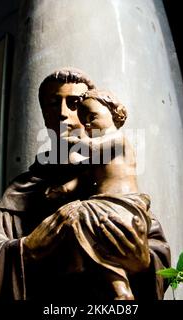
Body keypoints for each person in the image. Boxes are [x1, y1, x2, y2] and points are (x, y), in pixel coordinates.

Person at [0, 67, 171, 300]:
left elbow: (157, 253)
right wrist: (30, 248)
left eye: (74, 103)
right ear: (44, 114)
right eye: (53, 104)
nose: (63, 113)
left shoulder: (109, 178)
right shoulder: (24, 188)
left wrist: (143, 262)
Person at [45, 89, 152, 300]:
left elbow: (91, 148)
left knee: (77, 215)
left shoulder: (117, 139)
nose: (86, 124)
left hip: (122, 204)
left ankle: (77, 263)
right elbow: (83, 178)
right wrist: (63, 189)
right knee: (100, 244)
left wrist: (73, 140)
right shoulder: (99, 148)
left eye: (92, 116)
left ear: (113, 113)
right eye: (83, 120)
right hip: (102, 204)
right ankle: (120, 291)